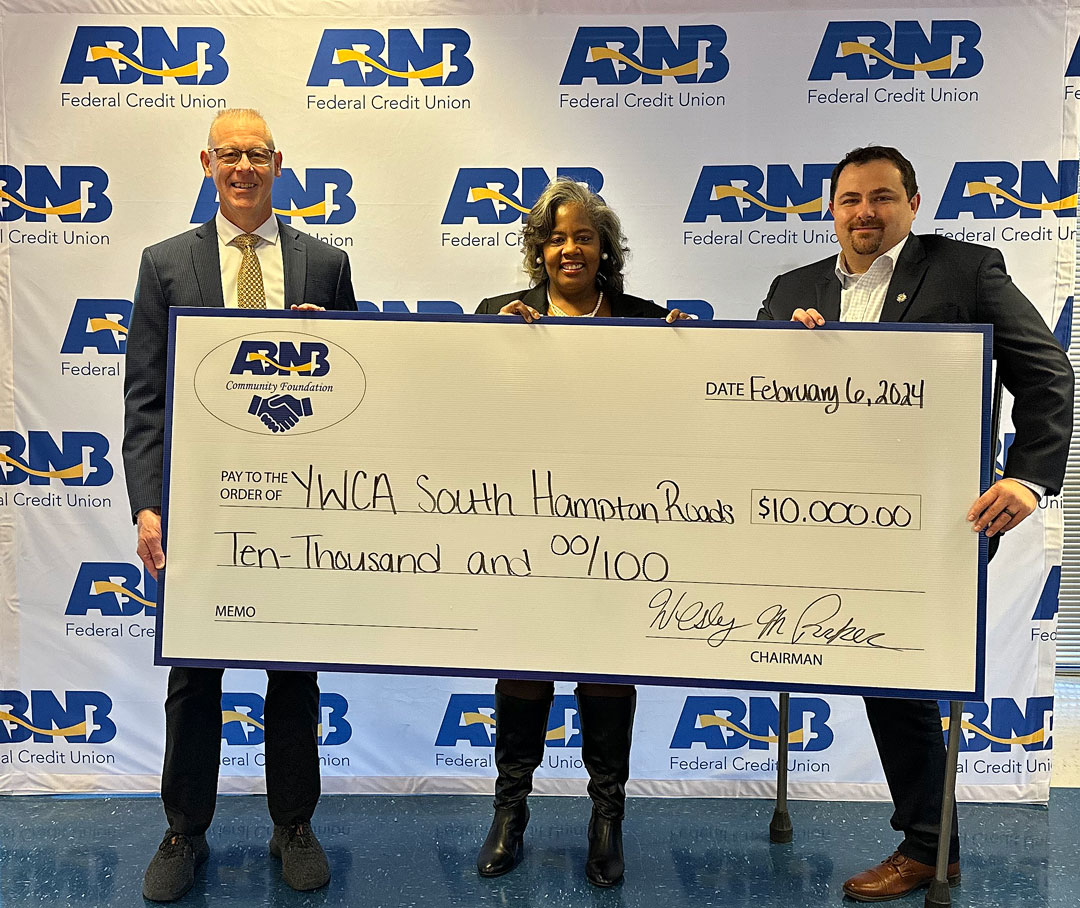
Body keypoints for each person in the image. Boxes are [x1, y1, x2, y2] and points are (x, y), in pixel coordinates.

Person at [758, 145, 1072, 902]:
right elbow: (749, 389)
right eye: (850, 199)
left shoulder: (966, 269)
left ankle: (930, 847)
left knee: (895, 668)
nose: (866, 212)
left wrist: (1030, 479)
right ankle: (934, 842)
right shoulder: (792, 288)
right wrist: (778, 342)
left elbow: (1045, 369)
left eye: (883, 197)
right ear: (831, 209)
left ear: (913, 203)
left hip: (940, 516)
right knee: (876, 666)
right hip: (819, 514)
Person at [123, 108, 356, 902]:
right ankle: (185, 829)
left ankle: (293, 823)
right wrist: (149, 506)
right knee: (195, 675)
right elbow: (145, 399)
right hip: (198, 503)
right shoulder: (163, 265)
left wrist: (335, 348)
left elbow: (355, 390)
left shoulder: (326, 264)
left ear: (279, 163)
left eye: (257, 153)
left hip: (297, 502)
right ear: (207, 162)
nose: (244, 167)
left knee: (294, 668)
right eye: (230, 154)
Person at [475, 178, 689, 887]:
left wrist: (693, 350)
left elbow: (684, 407)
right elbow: (457, 406)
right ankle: (510, 813)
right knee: (524, 666)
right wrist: (488, 350)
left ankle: (607, 819)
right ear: (539, 250)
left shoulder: (644, 318)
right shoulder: (496, 314)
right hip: (524, 523)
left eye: (584, 236)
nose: (571, 248)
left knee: (605, 668)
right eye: (557, 237)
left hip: (618, 528)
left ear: (605, 249)